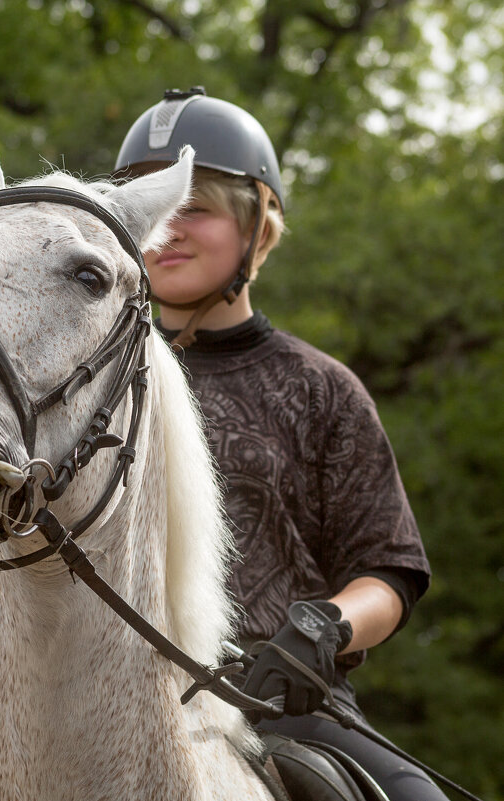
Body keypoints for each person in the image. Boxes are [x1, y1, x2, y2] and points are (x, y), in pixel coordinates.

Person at [114, 87, 444, 800]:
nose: (162, 231)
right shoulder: (87, 383)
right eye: (144, 212)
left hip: (284, 707)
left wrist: (323, 626)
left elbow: (387, 572)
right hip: (99, 703)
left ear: (257, 225)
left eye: (192, 208)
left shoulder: (323, 388)